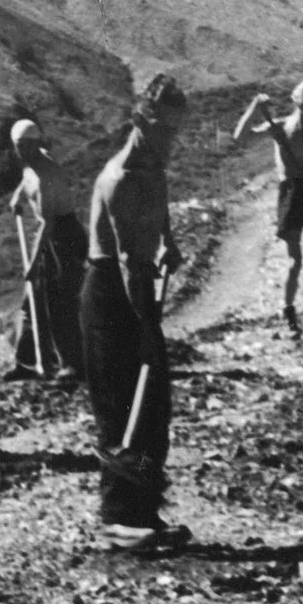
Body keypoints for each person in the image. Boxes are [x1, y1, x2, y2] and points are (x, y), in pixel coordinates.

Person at [82, 74, 190, 553]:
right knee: (119, 405)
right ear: (141, 120)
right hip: (110, 294)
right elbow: (127, 262)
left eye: (176, 131)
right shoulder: (121, 177)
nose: (171, 141)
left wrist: (170, 242)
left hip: (138, 283)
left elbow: (158, 216)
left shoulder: (154, 167)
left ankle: (144, 511)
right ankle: (117, 519)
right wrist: (145, 326)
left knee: (153, 408)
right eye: (164, 130)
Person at [233, 78, 303, 333]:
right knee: (295, 261)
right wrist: (255, 107)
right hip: (290, 194)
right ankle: (289, 311)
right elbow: (240, 137)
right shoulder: (279, 127)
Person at [6, 120, 86, 382]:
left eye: (27, 146)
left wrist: (32, 265)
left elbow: (47, 222)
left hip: (64, 239)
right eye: (19, 146)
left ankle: (72, 364)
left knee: (60, 302)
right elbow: (26, 178)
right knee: (32, 300)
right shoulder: (33, 163)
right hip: (49, 237)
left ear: (36, 143)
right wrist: (18, 197)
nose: (23, 151)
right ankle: (27, 362)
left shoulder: (46, 175)